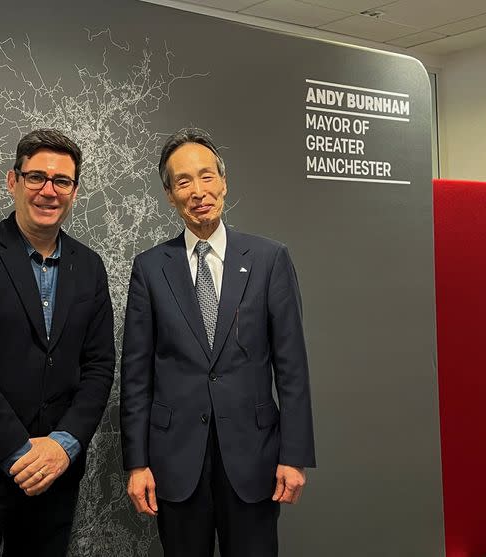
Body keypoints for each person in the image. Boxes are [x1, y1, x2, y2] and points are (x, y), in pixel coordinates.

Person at [120, 128, 315, 556]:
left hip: (255, 457)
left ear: (224, 182)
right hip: (175, 459)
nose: (198, 191)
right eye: (183, 182)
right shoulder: (150, 269)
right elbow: (135, 376)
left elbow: (292, 367)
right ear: (170, 195)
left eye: (206, 177)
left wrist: (294, 455)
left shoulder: (268, 259)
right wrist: (136, 463)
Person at [0, 129, 115, 556]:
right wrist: (20, 451)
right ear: (13, 182)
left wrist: (63, 445)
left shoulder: (89, 267)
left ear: (74, 191)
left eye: (61, 181)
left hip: (54, 477)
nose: (49, 191)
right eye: (36, 177)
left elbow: (100, 365)